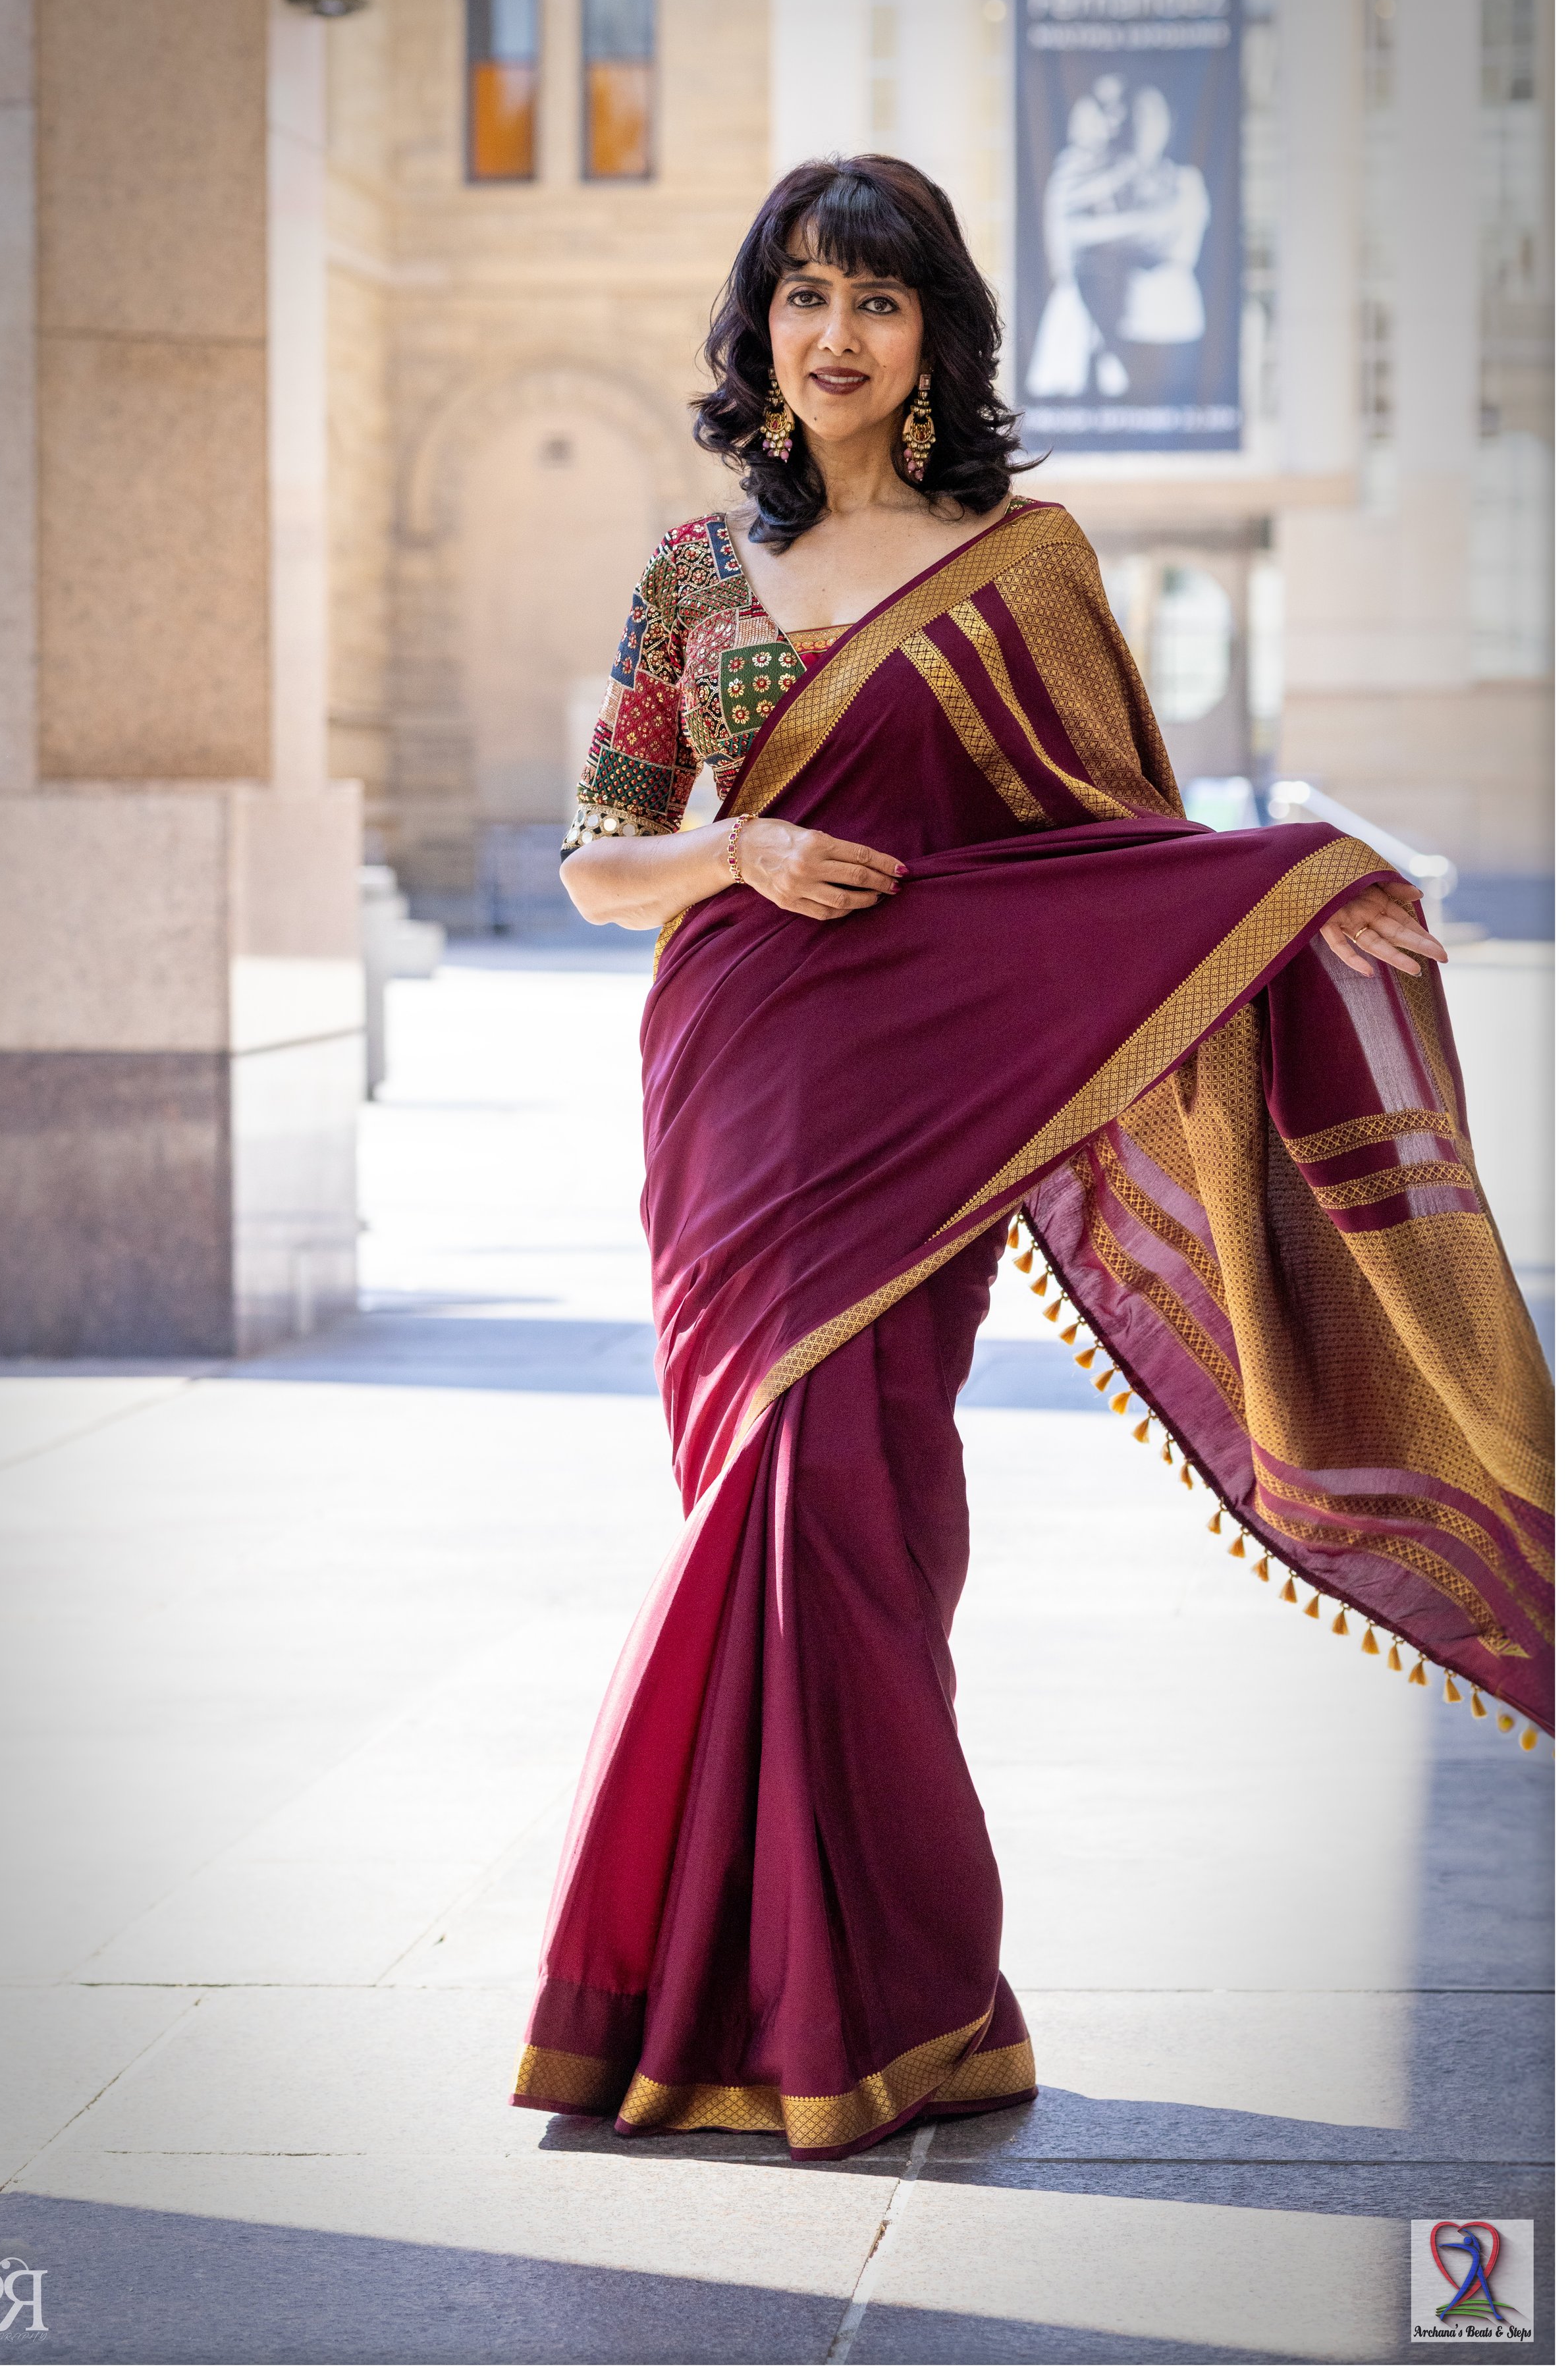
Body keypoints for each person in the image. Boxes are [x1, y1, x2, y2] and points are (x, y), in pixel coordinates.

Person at [511, 155, 1553, 2162]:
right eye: (802, 295)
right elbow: (591, 859)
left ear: (934, 341)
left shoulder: (1027, 561)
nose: (833, 335)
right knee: (761, 1504)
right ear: (760, 329)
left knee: (863, 1519)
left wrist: (1302, 894)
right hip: (736, 1087)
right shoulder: (691, 573)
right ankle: (737, 1988)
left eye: (876, 302)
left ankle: (880, 2001)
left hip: (933, 1104)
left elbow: (1107, 851)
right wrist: (732, 847)